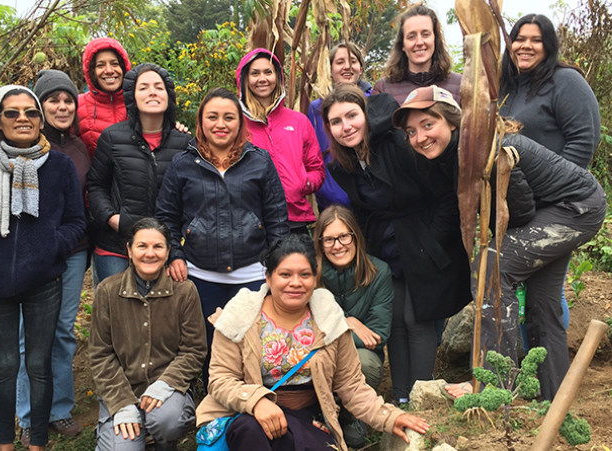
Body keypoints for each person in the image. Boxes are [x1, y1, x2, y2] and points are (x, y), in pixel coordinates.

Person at [392, 85, 607, 400]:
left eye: (428, 124)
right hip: (556, 211)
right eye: (411, 131)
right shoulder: (454, 155)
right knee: (542, 303)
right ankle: (552, 396)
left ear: (452, 121)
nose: (419, 136)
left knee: (492, 264)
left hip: (574, 208)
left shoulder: (483, 152)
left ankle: (493, 382)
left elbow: (518, 214)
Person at [195, 235, 429, 451]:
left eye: (304, 275)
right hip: (251, 414)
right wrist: (257, 402)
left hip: (308, 416)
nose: (295, 283)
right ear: (268, 277)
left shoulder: (328, 319)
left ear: (315, 277)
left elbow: (351, 385)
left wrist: (390, 417)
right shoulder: (240, 317)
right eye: (285, 274)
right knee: (251, 430)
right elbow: (220, 380)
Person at [0, 85, 85, 451]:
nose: (22, 118)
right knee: (7, 364)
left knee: (39, 365)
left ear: (40, 120)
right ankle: (6, 442)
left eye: (30, 112)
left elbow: (76, 220)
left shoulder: (58, 165)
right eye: (12, 112)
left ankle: (37, 443)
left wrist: (50, 247)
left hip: (43, 280)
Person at [321, 84, 471, 404]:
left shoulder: (396, 143)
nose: (346, 126)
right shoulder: (343, 164)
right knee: (396, 322)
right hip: (386, 245)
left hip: (424, 237)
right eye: (336, 121)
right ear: (329, 129)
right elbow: (362, 210)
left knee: (417, 320)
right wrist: (363, 252)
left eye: (352, 115)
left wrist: (433, 239)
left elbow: (444, 192)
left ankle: (422, 395)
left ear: (365, 114)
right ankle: (401, 396)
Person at [156, 87, 290, 384]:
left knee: (253, 344)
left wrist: (276, 265)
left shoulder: (260, 161)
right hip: (201, 275)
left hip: (253, 272)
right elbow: (166, 217)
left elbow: (277, 219)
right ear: (200, 121)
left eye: (229, 117)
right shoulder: (182, 164)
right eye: (212, 117)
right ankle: (215, 407)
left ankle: (252, 402)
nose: (221, 124)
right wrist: (175, 254)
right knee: (207, 345)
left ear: (240, 122)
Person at [499, 13, 602, 346]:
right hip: (523, 204)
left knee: (534, 290)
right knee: (543, 298)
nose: (526, 46)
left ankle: (505, 375)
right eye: (520, 38)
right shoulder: (507, 87)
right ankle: (550, 391)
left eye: (536, 40)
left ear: (549, 45)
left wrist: (552, 188)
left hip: (559, 203)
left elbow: (584, 140)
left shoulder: (564, 81)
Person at [11, 70, 90, 446]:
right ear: (39, 106)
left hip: (72, 252)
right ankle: (29, 415)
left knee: (61, 330)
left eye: (68, 99)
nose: (62, 106)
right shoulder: (21, 146)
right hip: (29, 255)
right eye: (54, 100)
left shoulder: (78, 147)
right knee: (30, 334)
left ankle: (59, 409)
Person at [89, 217, 207, 451]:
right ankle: (126, 426)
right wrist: (121, 403)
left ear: (168, 251)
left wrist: (166, 383)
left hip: (168, 389)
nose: (150, 254)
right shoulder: (108, 291)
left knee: (165, 421)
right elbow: (100, 355)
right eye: (142, 246)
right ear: (129, 250)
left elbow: (194, 350)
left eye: (158, 246)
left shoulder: (184, 291)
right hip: (121, 388)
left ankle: (163, 442)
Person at [87, 63, 191, 284]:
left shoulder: (184, 143)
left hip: (165, 249)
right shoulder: (112, 138)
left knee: (162, 316)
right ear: (132, 96)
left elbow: (190, 197)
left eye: (158, 87)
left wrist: (176, 249)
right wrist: (113, 219)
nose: (152, 92)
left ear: (169, 95)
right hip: (116, 246)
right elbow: (96, 185)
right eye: (143, 87)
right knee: (116, 314)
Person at [313, 205, 393, 448]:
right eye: (329, 239)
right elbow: (305, 328)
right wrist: (348, 323)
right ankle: (319, 411)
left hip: (360, 358)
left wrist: (336, 329)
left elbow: (377, 334)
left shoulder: (379, 272)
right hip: (317, 351)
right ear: (320, 243)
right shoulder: (310, 274)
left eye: (343, 236)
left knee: (364, 361)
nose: (338, 245)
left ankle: (352, 413)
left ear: (355, 237)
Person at [236, 48, 325, 234]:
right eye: (255, 73)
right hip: (251, 224)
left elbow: (316, 167)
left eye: (268, 72)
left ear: (278, 77)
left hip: (295, 221)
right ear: (245, 78)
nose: (262, 78)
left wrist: (303, 183)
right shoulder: (236, 124)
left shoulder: (298, 121)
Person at [307, 42, 372, 210]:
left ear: (361, 68)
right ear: (330, 69)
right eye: (340, 62)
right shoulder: (316, 109)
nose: (347, 67)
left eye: (353, 61)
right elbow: (315, 154)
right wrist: (327, 192)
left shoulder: (375, 101)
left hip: (372, 199)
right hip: (333, 201)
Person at [371, 5, 462, 105]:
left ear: (435, 40)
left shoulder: (459, 85)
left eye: (425, 34)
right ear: (402, 44)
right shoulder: (384, 89)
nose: (419, 42)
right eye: (411, 37)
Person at [78, 37, 132, 158]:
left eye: (114, 64)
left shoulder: (137, 101)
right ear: (91, 71)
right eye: (100, 65)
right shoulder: (78, 105)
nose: (109, 70)